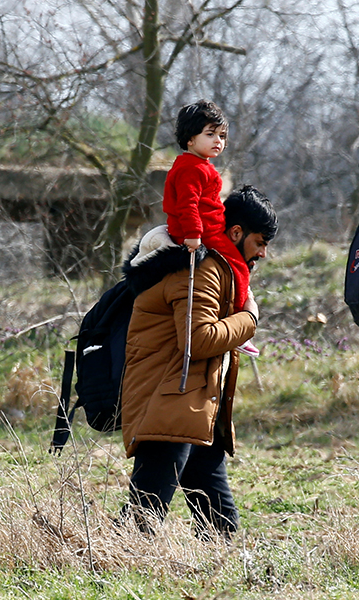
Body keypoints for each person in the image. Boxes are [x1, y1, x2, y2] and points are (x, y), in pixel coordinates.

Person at [119, 185, 277, 538]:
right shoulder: (202, 268)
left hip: (193, 407)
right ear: (235, 232)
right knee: (140, 524)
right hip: (170, 404)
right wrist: (249, 318)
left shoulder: (220, 267)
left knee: (221, 528)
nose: (263, 253)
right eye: (260, 242)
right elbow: (199, 340)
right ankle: (96, 564)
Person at [164, 99, 259, 356]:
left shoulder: (199, 165)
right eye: (210, 134)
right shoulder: (191, 169)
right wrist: (193, 234)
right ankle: (238, 320)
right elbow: (187, 204)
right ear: (190, 139)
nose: (218, 141)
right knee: (239, 266)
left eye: (222, 136)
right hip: (204, 233)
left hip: (208, 229)